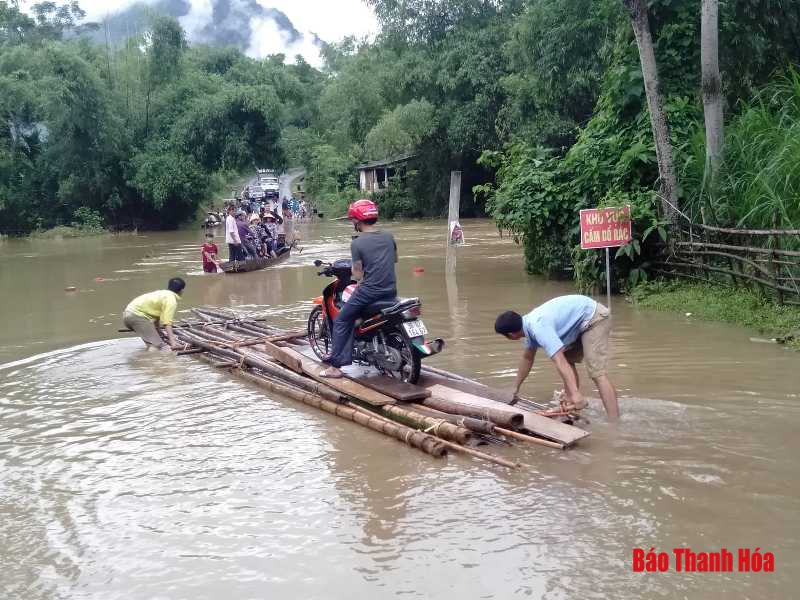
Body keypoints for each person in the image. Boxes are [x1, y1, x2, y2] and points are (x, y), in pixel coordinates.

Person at [494, 295, 619, 418]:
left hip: (594, 318)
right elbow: (527, 358)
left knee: (597, 374)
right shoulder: (528, 325)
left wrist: (576, 394)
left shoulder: (538, 327)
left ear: (511, 334)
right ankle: (572, 404)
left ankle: (614, 422)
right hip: (578, 322)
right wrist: (515, 388)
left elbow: (560, 361)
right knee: (568, 360)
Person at [320, 199, 398, 378]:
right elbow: (393, 260)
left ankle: (335, 368)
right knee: (354, 316)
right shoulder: (388, 237)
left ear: (357, 220)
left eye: (352, 220)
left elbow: (356, 274)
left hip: (369, 292)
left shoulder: (357, 243)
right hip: (391, 290)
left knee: (341, 320)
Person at [123, 278, 186, 351]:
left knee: (152, 343)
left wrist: (160, 333)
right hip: (137, 317)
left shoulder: (161, 294)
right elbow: (167, 323)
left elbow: (156, 318)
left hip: (128, 316)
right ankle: (150, 360)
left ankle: (144, 358)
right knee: (159, 347)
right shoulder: (171, 299)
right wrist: (173, 342)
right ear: (181, 290)